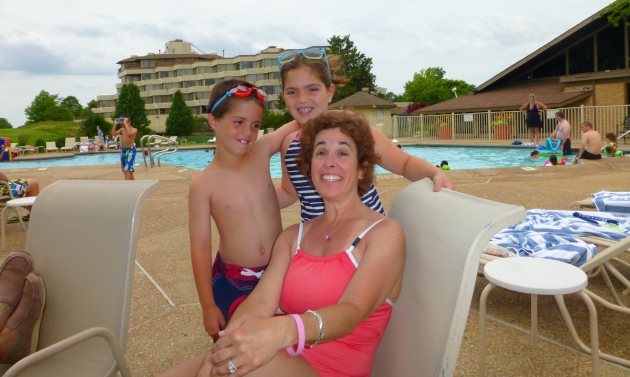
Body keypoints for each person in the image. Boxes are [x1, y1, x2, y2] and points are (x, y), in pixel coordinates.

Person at [160, 112, 405, 377]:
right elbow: (260, 301)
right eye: (320, 153)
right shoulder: (292, 237)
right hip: (275, 353)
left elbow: (352, 312)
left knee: (233, 369)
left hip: (329, 368)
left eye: (343, 154)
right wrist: (231, 338)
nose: (329, 163)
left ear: (362, 168)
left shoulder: (384, 234)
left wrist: (284, 331)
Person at [275, 50, 453, 222]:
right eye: (292, 92)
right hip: (318, 243)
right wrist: (249, 202)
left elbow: (405, 164)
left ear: (330, 92)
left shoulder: (357, 133)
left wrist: (434, 172)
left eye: (312, 89)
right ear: (283, 97)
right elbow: (289, 192)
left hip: (366, 237)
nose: (302, 99)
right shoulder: (289, 145)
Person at [189, 80, 300, 340]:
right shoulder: (203, 185)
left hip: (278, 270)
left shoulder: (260, 152)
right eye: (238, 122)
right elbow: (200, 247)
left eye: (255, 125)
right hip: (233, 279)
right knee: (235, 346)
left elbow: (296, 123)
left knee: (277, 344)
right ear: (214, 121)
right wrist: (207, 306)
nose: (248, 132)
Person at [112, 115, 138, 180]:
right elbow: (113, 134)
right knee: (126, 170)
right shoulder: (122, 129)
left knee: (127, 170)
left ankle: (127, 187)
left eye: (123, 123)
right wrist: (115, 125)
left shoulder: (134, 130)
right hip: (123, 150)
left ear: (129, 122)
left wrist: (125, 123)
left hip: (130, 151)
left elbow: (129, 133)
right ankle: (133, 185)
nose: (122, 125)